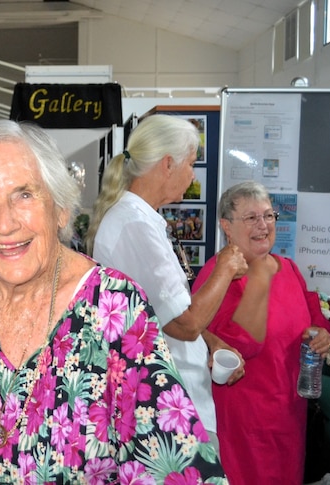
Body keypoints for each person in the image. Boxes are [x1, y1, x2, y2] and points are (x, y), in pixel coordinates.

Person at [0, 120, 226, 483]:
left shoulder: (114, 307)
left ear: (61, 208)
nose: (5, 224)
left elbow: (177, 468)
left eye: (24, 195)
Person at [87, 114, 248, 450]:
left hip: (170, 401)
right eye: (190, 164)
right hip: (167, 407)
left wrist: (210, 341)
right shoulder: (134, 225)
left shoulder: (141, 221)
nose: (193, 175)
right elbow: (184, 324)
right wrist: (225, 267)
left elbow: (161, 314)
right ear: (167, 164)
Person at [191, 181, 330, 485]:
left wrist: (322, 334)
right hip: (243, 423)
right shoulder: (218, 275)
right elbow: (235, 346)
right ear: (226, 227)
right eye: (251, 217)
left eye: (269, 216)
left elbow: (317, 320)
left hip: (289, 416)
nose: (263, 225)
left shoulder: (288, 268)